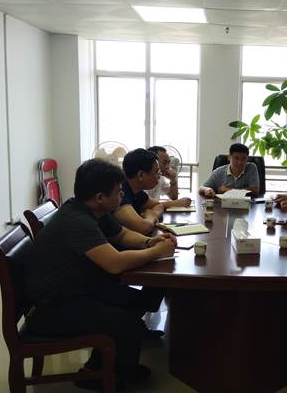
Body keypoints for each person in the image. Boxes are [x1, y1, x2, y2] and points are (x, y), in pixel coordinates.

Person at [24, 159, 176, 390]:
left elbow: (122, 235)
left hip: (75, 290)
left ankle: (105, 366)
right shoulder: (77, 221)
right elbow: (115, 263)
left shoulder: (92, 210)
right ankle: (101, 375)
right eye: (118, 191)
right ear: (100, 197)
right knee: (128, 323)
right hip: (52, 308)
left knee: (136, 302)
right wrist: (157, 252)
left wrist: (150, 242)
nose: (122, 194)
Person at [115, 148, 190, 235]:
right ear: (140, 175)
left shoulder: (137, 191)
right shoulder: (119, 194)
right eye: (156, 172)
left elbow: (158, 205)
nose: (159, 176)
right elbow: (144, 227)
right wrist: (150, 216)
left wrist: (153, 214)